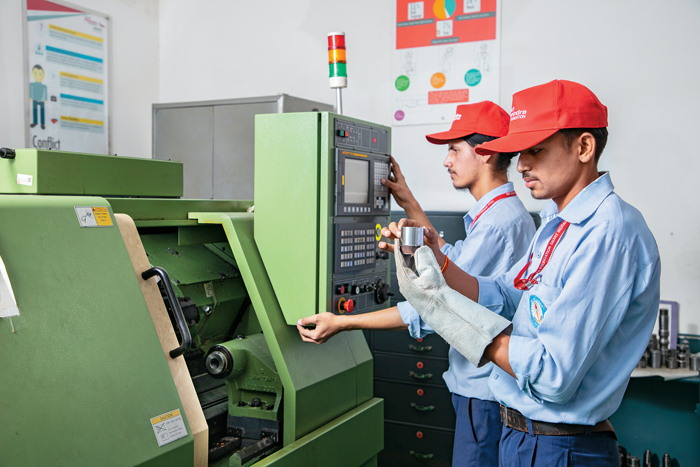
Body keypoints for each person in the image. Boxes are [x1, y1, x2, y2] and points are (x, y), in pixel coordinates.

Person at [385, 80, 660, 467]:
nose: (523, 164)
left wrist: (447, 313)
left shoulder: (608, 233)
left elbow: (552, 375)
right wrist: (439, 264)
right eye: (520, 152)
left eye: (537, 150)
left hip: (559, 447)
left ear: (584, 147)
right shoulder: (556, 223)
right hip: (520, 435)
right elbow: (505, 293)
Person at [297, 101, 536, 466]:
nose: (447, 161)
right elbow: (451, 263)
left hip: (483, 392)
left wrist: (343, 322)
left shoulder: (498, 225)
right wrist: (406, 199)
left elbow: (434, 306)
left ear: (486, 153)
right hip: (481, 388)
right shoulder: (499, 216)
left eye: (455, 150)